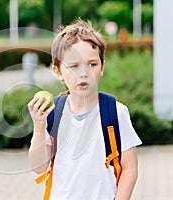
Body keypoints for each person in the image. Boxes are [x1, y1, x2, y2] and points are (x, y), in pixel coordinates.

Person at [28, 18, 142, 200]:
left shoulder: (115, 112)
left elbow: (130, 168)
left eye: (92, 64)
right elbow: (38, 167)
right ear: (57, 71)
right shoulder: (53, 113)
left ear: (102, 66)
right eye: (73, 66)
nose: (84, 73)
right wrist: (39, 127)